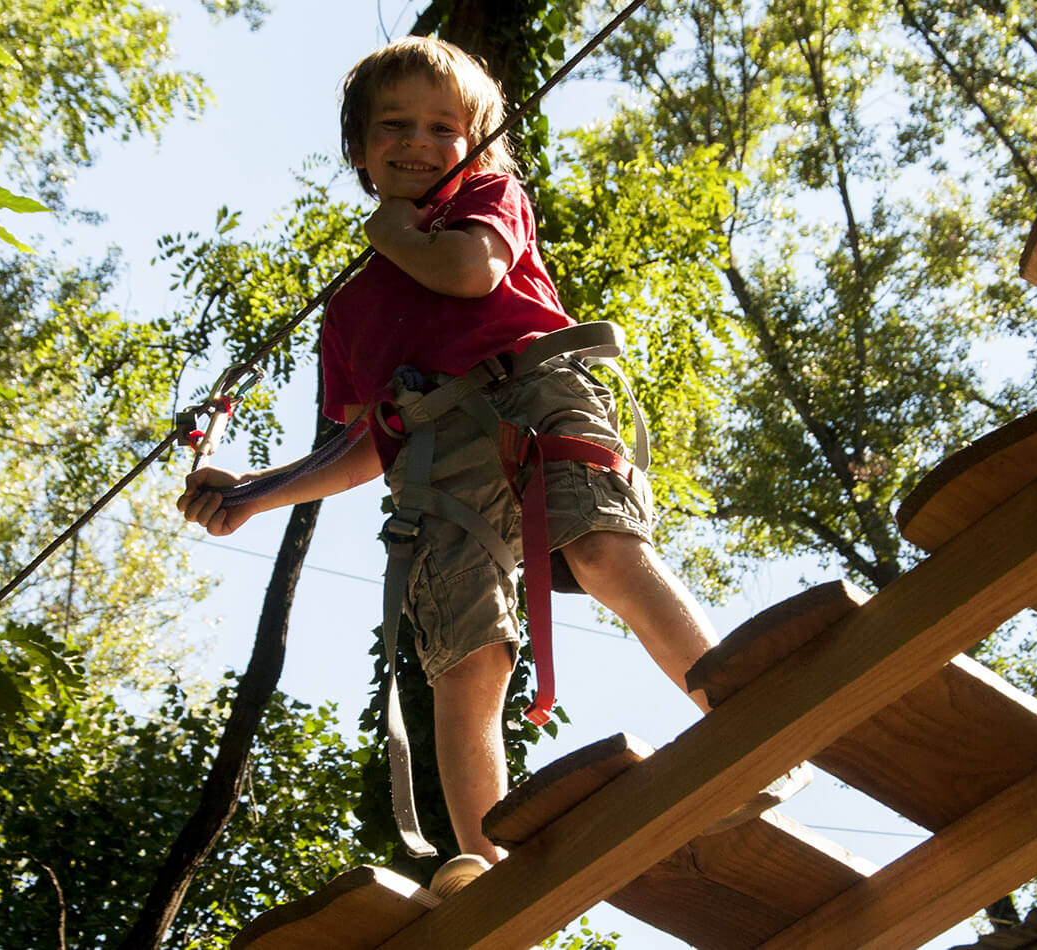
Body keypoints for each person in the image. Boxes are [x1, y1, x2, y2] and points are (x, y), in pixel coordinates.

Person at [177, 35, 806, 896]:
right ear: (359, 152)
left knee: (600, 548)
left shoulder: (487, 199)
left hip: (532, 395)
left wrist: (394, 229)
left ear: (477, 144)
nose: (418, 141)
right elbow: (368, 443)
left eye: (445, 126)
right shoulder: (351, 309)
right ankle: (488, 860)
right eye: (394, 125)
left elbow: (473, 275)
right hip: (437, 463)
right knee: (464, 658)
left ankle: (741, 714)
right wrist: (255, 493)